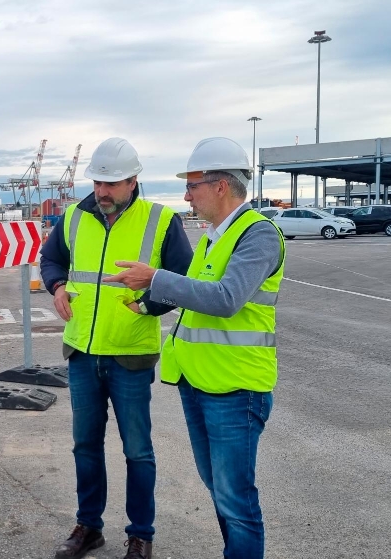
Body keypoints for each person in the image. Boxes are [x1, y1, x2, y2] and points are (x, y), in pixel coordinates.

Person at [104, 137, 285, 559]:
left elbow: (225, 298)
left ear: (221, 186)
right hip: (199, 381)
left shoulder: (257, 235)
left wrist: (155, 279)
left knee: (236, 500)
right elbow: (195, 296)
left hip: (236, 388)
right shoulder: (212, 237)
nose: (186, 195)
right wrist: (149, 302)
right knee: (220, 490)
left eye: (193, 185)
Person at [40, 137, 193, 559]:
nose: (102, 192)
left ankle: (140, 534)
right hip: (82, 353)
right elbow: (51, 259)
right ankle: (88, 528)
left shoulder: (161, 220)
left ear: (134, 181)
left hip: (130, 354)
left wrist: (149, 302)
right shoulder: (72, 217)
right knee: (85, 446)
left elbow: (185, 280)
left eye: (113, 184)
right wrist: (56, 286)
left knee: (137, 450)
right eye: (98, 183)